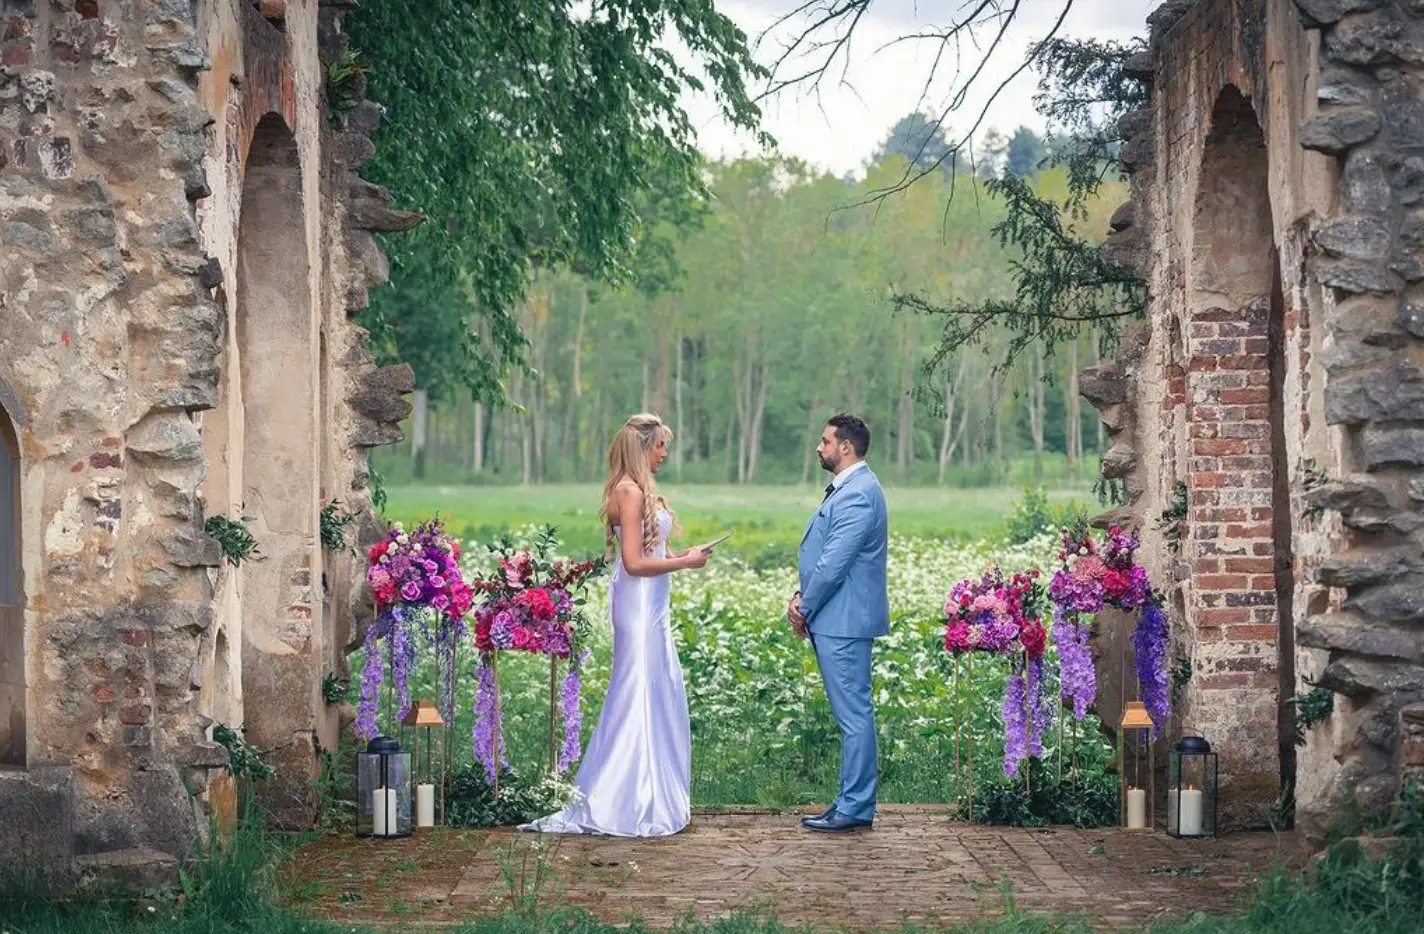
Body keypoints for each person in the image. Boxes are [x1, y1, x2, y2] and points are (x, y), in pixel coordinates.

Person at [521, 413, 719, 836]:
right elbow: (633, 562)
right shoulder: (628, 492)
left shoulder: (635, 490)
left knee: (656, 687)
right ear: (643, 447)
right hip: (639, 603)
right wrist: (685, 563)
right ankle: (631, 800)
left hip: (653, 601)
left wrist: (682, 552)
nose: (665, 454)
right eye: (661, 445)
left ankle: (653, 792)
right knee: (638, 690)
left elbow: (650, 551)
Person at [787, 414, 889, 832]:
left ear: (845, 447)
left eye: (825, 441)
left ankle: (856, 806)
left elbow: (833, 564)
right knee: (851, 714)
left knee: (853, 716)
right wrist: (802, 599)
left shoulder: (859, 494)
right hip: (834, 617)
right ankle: (849, 801)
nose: (819, 447)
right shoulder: (848, 489)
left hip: (843, 621)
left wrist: (804, 605)